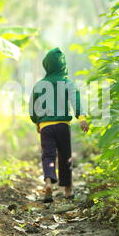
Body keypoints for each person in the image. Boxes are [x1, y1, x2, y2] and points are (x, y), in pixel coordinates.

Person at [29, 47, 89, 203]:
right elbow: (75, 100)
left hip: (46, 127)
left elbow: (33, 107)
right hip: (62, 125)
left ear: (46, 65)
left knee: (48, 155)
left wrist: (37, 122)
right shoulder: (67, 82)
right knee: (65, 157)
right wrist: (81, 117)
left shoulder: (39, 85)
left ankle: (48, 183)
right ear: (63, 65)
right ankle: (68, 190)